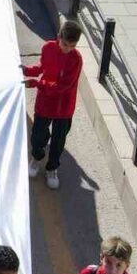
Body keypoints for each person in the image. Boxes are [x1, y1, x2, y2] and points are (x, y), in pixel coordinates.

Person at [24, 20, 83, 190]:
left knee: (58, 141)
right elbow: (42, 66)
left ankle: (52, 168)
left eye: (72, 46)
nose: (68, 49)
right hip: (45, 102)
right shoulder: (47, 48)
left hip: (64, 106)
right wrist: (27, 70)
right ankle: (36, 157)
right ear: (59, 37)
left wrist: (37, 84)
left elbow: (63, 86)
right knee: (37, 135)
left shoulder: (76, 60)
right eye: (65, 44)